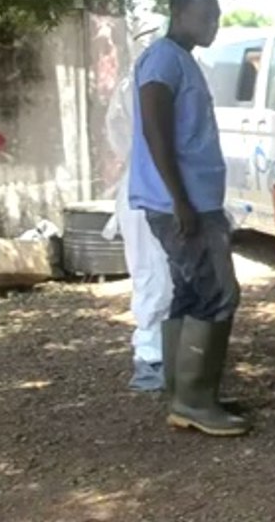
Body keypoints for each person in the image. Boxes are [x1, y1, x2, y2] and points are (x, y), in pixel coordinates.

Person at [130, 0, 250, 436]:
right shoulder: (162, 60)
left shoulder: (181, 60)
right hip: (183, 203)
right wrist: (180, 199)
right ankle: (196, 401)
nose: (213, 25)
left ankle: (186, 395)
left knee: (190, 292)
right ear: (179, 13)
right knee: (219, 293)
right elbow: (155, 131)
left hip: (190, 200)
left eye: (216, 17)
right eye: (205, 16)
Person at [103, 63, 174, 392]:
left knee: (161, 277)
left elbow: (118, 134)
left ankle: (171, 355)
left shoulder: (135, 83)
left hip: (151, 186)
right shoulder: (142, 83)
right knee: (153, 276)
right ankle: (151, 359)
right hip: (152, 190)